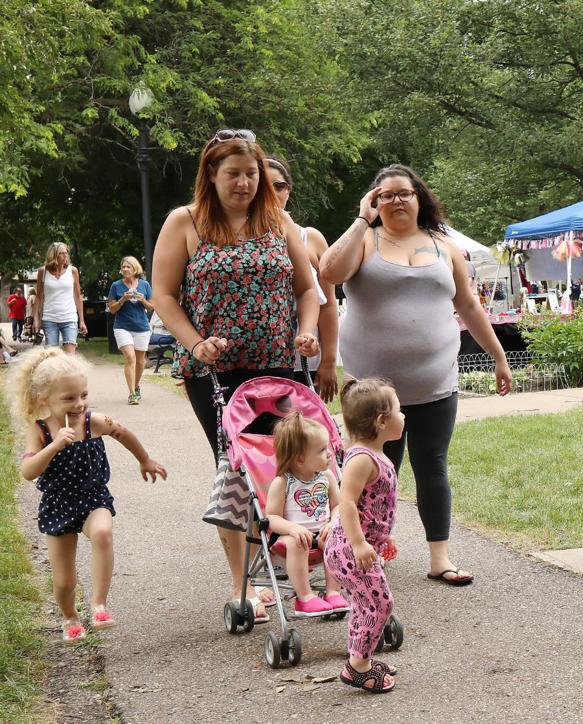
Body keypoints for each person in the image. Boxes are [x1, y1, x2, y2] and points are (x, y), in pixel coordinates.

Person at [151, 128, 320, 623]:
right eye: (233, 174)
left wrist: (306, 331)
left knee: (291, 467)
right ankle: (244, 587)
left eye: (250, 173)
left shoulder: (278, 221)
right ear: (211, 174)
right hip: (215, 371)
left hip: (277, 368)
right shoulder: (185, 222)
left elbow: (307, 290)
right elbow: (163, 296)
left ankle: (305, 567)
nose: (244, 183)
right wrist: (195, 343)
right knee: (236, 470)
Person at [320, 163, 513, 586]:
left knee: (432, 465)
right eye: (384, 195)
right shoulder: (365, 240)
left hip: (435, 380)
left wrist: (498, 355)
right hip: (370, 389)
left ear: (418, 196)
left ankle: (439, 558)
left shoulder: (443, 244)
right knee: (370, 468)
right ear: (373, 200)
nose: (394, 201)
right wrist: (359, 219)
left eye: (403, 193)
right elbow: (328, 274)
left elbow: (469, 306)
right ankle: (367, 547)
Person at [7, 347, 167, 641]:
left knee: (103, 533)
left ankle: (99, 604)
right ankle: (69, 618)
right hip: (58, 504)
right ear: (45, 399)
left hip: (94, 497)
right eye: (68, 398)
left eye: (83, 395)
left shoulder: (94, 421)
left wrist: (144, 459)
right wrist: (54, 446)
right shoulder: (40, 430)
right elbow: (28, 471)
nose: (79, 404)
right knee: (64, 581)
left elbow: (123, 432)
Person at [323, 377, 404, 693]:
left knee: (366, 603)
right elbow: (347, 502)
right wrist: (358, 542)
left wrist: (384, 538)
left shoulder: (377, 454)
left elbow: (377, 504)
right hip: (348, 548)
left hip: (362, 544)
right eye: (399, 411)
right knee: (379, 603)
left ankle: (362, 659)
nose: (404, 416)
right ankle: (357, 667)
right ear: (382, 421)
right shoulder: (361, 459)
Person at [265, 157, 339, 402]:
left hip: (303, 359)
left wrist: (328, 361)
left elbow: (328, 303)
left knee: (305, 434)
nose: (272, 192)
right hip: (259, 359)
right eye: (265, 185)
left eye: (279, 186)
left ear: (289, 190)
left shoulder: (310, 238)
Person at [264, 411, 350, 617]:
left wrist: (333, 522)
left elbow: (338, 505)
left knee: (336, 537)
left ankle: (333, 592)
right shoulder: (284, 482)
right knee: (297, 542)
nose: (330, 453)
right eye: (321, 450)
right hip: (288, 539)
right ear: (299, 458)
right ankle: (305, 598)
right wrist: (293, 529)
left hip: (320, 534)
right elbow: (271, 518)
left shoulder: (327, 476)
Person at [106, 257, 155, 405]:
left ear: (135, 269)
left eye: (129, 267)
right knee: (130, 357)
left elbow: (151, 307)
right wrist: (123, 299)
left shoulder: (145, 285)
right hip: (122, 326)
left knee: (140, 361)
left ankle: (136, 386)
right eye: (124, 267)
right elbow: (112, 309)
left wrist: (142, 300)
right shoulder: (116, 286)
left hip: (141, 327)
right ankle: (132, 394)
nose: (126, 269)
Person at [33, 243, 87, 353]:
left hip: (69, 318)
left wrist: (82, 321)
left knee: (70, 357)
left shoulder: (73, 271)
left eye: (66, 253)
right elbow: (38, 297)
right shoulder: (43, 272)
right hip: (49, 319)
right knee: (52, 356)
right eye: (61, 253)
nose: (65, 256)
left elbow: (78, 297)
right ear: (53, 256)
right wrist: (36, 319)